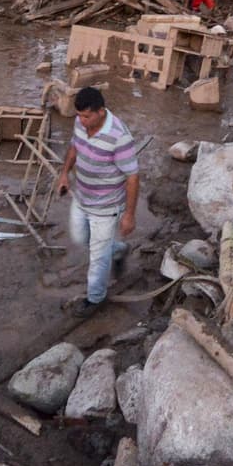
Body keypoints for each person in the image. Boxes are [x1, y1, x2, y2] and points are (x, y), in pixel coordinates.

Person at [57, 87, 138, 317]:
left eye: (86, 116)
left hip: (107, 207)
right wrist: (64, 174)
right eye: (79, 115)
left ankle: (95, 298)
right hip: (82, 198)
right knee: (81, 237)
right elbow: (74, 147)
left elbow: (132, 177)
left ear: (101, 112)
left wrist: (129, 215)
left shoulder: (119, 137)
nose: (81, 121)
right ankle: (119, 250)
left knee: (97, 258)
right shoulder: (80, 124)